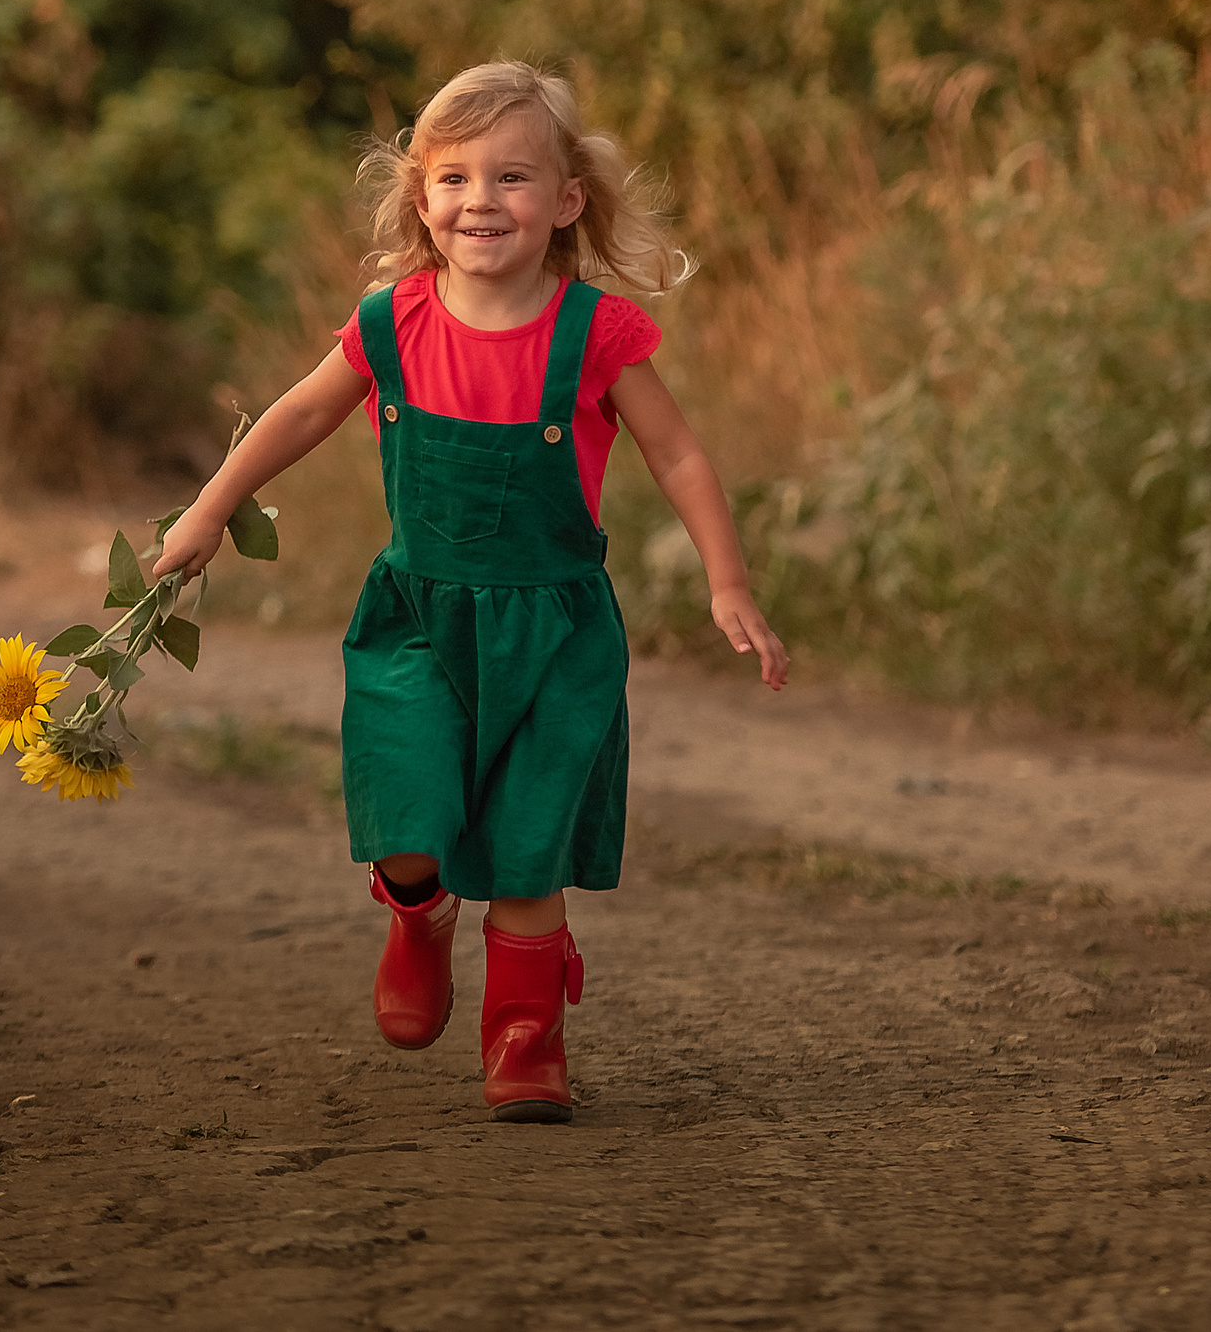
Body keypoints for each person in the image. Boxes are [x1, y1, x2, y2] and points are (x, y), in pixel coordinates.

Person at [151, 61, 788, 1122]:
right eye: (452, 179)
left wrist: (728, 580)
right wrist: (210, 506)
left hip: (554, 629)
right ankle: (419, 911)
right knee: (408, 808)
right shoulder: (390, 321)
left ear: (568, 200)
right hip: (419, 618)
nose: (479, 201)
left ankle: (525, 1039)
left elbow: (677, 456)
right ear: (420, 199)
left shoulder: (597, 333)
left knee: (532, 839)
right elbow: (300, 413)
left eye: (511, 177)